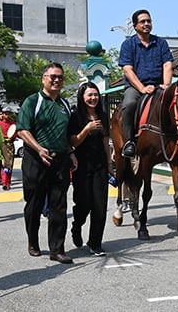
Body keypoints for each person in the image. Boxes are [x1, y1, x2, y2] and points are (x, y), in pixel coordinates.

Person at [16, 62, 78, 264]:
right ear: (44, 78)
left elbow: (67, 134)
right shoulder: (33, 101)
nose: (57, 80)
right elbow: (22, 130)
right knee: (33, 204)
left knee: (59, 205)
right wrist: (39, 149)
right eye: (53, 76)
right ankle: (33, 241)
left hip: (60, 160)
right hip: (35, 160)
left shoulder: (65, 105)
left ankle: (57, 249)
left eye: (60, 77)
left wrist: (71, 152)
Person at [118, 9, 173, 157]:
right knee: (129, 104)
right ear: (135, 26)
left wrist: (166, 85)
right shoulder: (128, 45)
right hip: (136, 87)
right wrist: (142, 88)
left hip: (159, 85)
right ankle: (129, 141)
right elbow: (127, 70)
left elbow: (167, 65)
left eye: (149, 21)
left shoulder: (161, 43)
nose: (147, 24)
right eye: (143, 21)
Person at [68, 82, 115, 257]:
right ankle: (77, 225)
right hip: (82, 166)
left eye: (95, 94)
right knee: (84, 203)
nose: (93, 98)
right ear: (82, 96)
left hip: (100, 165)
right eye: (90, 95)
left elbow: (105, 139)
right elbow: (73, 142)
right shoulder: (75, 117)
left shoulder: (102, 115)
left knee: (100, 206)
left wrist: (110, 165)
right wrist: (87, 129)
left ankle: (95, 243)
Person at [0, 105, 16, 190]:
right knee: (2, 164)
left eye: (9, 113)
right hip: (0, 144)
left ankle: (8, 181)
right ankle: (4, 182)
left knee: (9, 164)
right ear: (2, 114)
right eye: (5, 113)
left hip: (10, 145)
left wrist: (12, 137)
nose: (7, 115)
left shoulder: (13, 124)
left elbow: (15, 134)